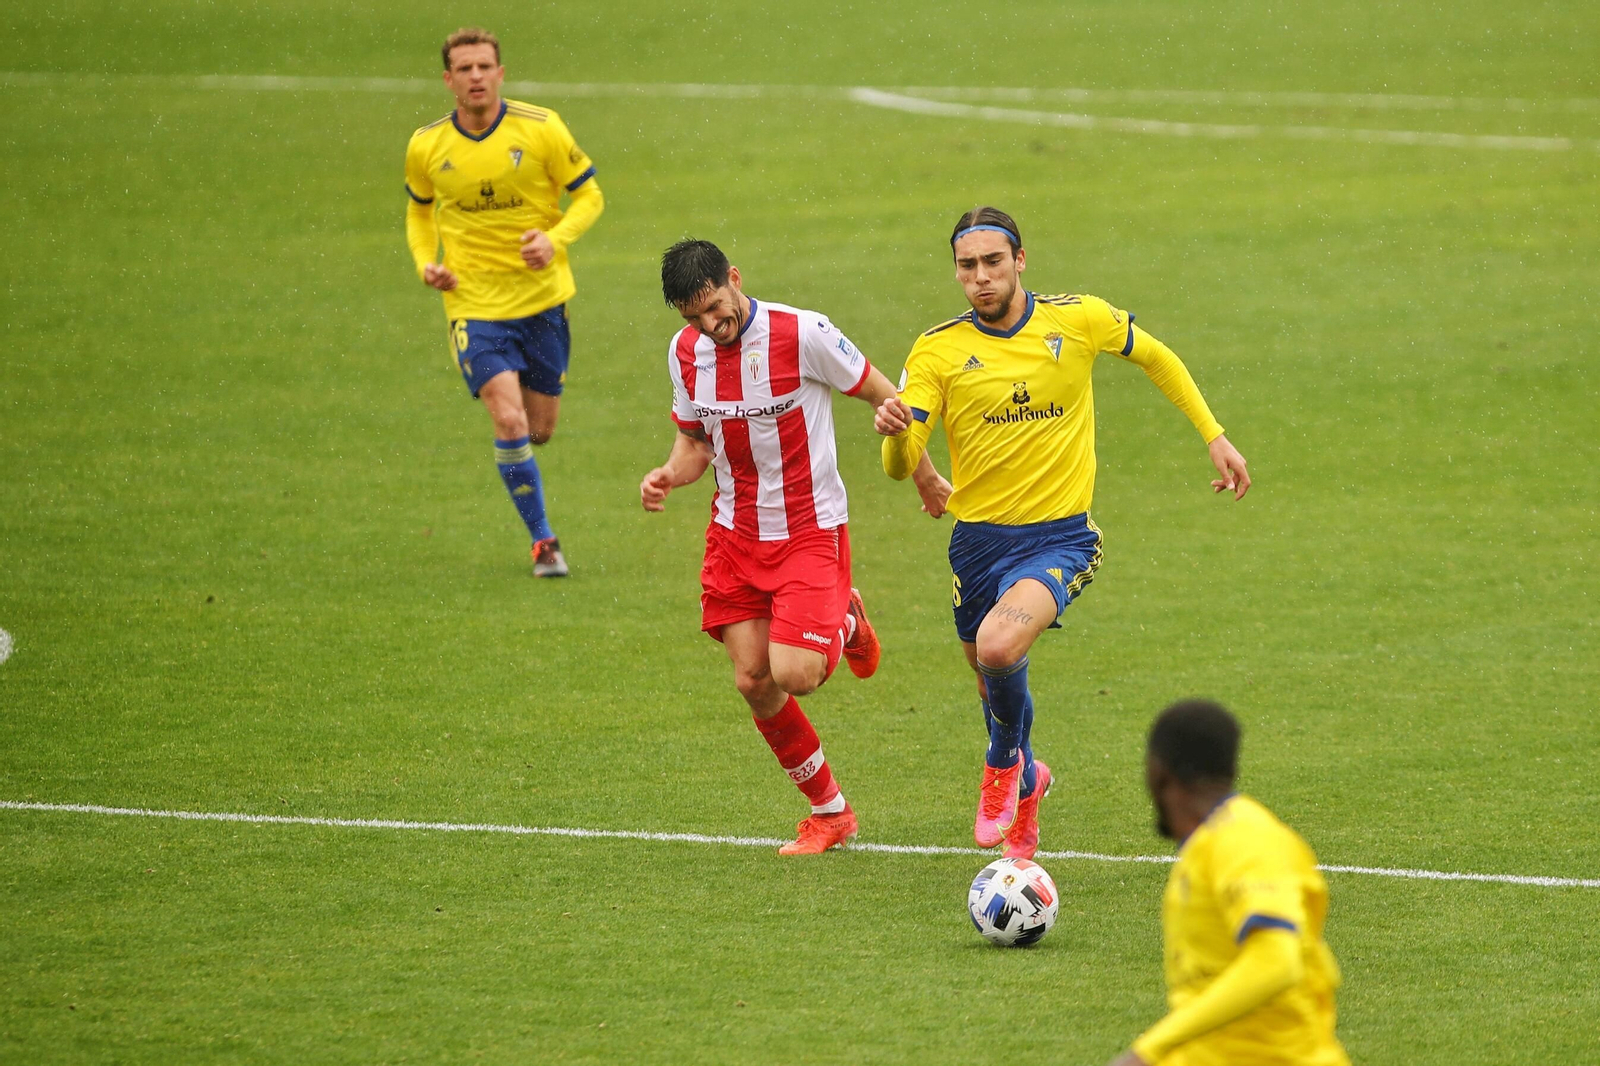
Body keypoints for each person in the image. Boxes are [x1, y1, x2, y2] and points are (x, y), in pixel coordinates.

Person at [875, 206, 1250, 859]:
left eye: (994, 262)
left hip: (1061, 538)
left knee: (997, 647)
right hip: (977, 544)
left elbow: (1158, 358)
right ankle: (1028, 781)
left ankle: (1001, 769)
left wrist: (1213, 434)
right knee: (991, 680)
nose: (982, 278)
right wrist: (896, 438)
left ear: (1021, 260)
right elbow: (903, 464)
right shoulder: (935, 350)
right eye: (968, 267)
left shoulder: (1076, 319)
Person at [640, 239, 936, 854]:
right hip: (734, 534)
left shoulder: (804, 333)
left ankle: (844, 616)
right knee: (753, 680)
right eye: (694, 317)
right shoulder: (685, 352)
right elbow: (694, 444)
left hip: (808, 530)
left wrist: (921, 468)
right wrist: (669, 473)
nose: (710, 326)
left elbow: (889, 397)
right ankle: (830, 813)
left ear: (735, 279)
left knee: (795, 674)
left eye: (717, 308)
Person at [404, 27, 605, 577]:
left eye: (483, 67)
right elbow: (420, 211)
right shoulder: (426, 145)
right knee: (510, 419)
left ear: (500, 73)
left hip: (542, 301)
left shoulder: (541, 129)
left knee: (540, 429)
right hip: (472, 305)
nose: (475, 77)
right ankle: (544, 541)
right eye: (464, 69)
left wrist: (554, 239)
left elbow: (589, 193)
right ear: (448, 80)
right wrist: (426, 261)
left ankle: (536, 511)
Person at [1107, 699, 1350, 1066]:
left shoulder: (1244, 840)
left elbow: (1277, 961)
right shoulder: (1208, 846)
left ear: (1159, 772)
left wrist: (1148, 1050)